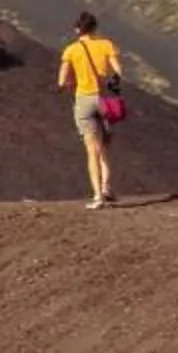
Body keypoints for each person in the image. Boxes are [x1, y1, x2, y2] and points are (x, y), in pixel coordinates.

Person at [56, 11, 125, 208]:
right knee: (104, 147)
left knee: (91, 150)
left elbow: (62, 81)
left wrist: (70, 84)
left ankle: (97, 197)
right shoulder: (106, 45)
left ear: (77, 29)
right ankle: (106, 187)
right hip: (105, 100)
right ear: (95, 28)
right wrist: (111, 84)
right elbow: (118, 72)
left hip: (84, 100)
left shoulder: (71, 51)